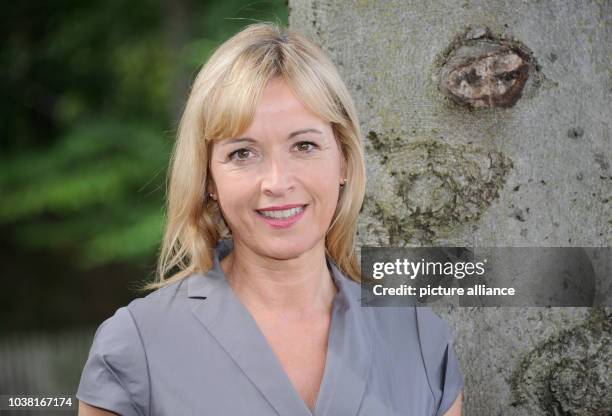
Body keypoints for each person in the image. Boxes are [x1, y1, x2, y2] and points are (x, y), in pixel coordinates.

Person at [76, 22, 464, 416]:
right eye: (243, 153)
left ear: (343, 160)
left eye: (305, 145)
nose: (277, 183)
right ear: (209, 177)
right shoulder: (135, 347)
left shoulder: (421, 342)